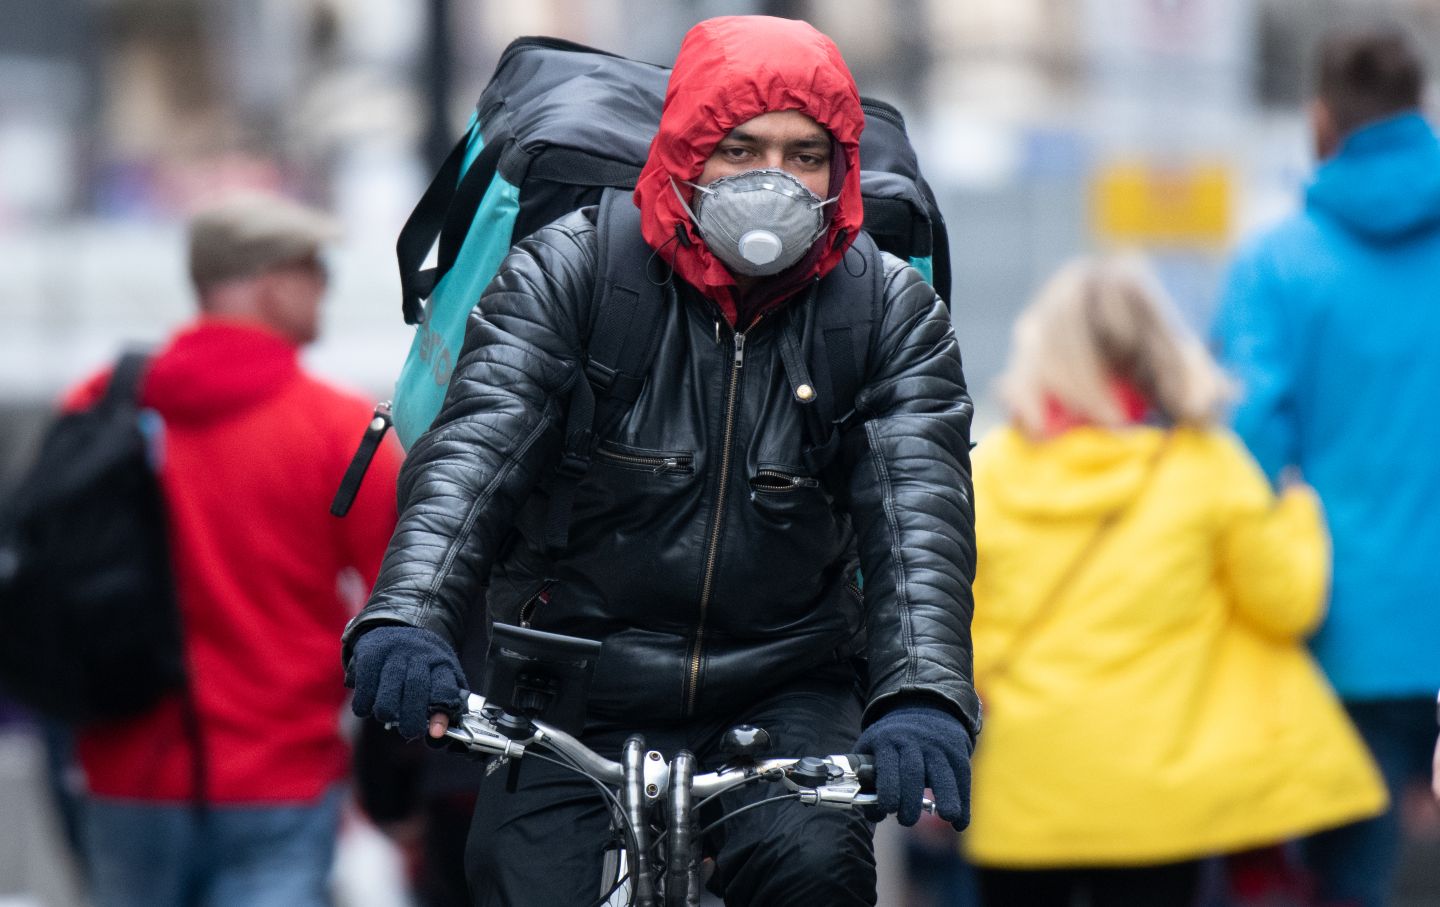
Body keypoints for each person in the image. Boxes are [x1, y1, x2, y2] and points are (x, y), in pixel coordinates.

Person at [343, 15, 978, 907]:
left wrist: (925, 697)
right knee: (516, 883)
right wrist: (406, 615)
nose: (775, 180)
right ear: (684, 152)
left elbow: (919, 515)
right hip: (570, 673)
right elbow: (474, 452)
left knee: (817, 871)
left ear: (842, 171)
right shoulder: (570, 270)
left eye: (806, 156)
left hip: (784, 677)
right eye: (741, 148)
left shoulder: (886, 310)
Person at [964, 257, 1386, 907]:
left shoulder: (991, 472)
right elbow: (1287, 605)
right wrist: (1300, 512)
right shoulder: (1205, 465)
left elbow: (955, 625)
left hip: (1022, 797)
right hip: (1159, 802)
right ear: (1156, 349)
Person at [67, 191, 402, 907]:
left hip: (125, 772)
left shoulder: (98, 406)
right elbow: (408, 601)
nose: (326, 287)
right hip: (279, 776)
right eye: (315, 268)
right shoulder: (341, 431)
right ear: (271, 283)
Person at [1210, 24, 1440, 907]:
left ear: (1320, 120)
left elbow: (1245, 454)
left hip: (1342, 631)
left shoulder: (1277, 264)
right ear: (1420, 112)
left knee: (1355, 875)